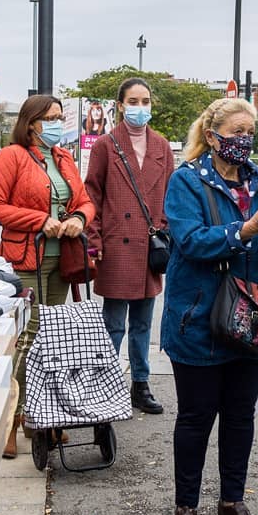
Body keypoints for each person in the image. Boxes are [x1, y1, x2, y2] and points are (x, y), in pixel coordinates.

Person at [161, 97, 258, 515]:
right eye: (237, 132)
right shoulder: (186, 180)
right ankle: (186, 508)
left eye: (250, 133)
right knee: (196, 418)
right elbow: (191, 242)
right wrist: (245, 230)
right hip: (198, 318)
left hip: (250, 319)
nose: (245, 140)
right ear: (212, 135)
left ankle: (232, 503)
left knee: (240, 416)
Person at [0, 94, 95, 458]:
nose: (58, 124)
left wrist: (79, 219)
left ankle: (42, 419)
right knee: (27, 341)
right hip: (25, 260)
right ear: (31, 124)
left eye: (61, 117)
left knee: (52, 340)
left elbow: (85, 201)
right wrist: (39, 220)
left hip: (63, 262)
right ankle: (11, 422)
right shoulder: (12, 156)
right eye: (51, 118)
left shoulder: (63, 158)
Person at [83, 77, 175, 415]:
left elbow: (171, 196)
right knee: (113, 324)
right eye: (133, 102)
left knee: (142, 324)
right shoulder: (105, 145)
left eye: (145, 101)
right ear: (120, 106)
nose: (140, 108)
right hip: (116, 244)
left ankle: (140, 383)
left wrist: (166, 233)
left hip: (150, 246)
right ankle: (104, 384)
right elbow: (92, 195)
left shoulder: (162, 146)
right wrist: (94, 240)